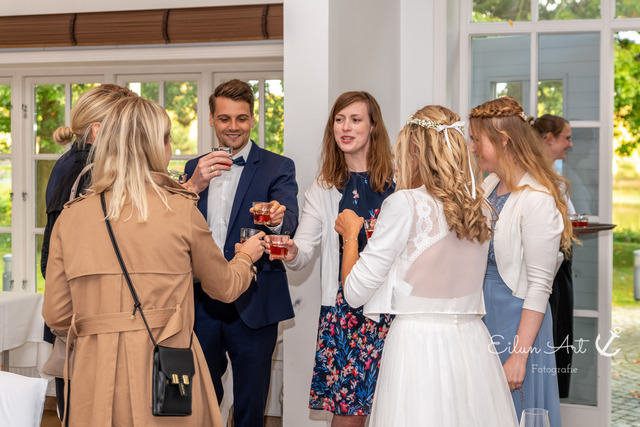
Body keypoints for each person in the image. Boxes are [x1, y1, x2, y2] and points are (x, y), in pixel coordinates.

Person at [42, 96, 265, 426]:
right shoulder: (180, 210)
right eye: (168, 139)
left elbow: (57, 314)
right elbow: (225, 287)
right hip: (168, 367)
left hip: (93, 372)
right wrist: (246, 257)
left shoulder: (71, 218)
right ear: (156, 147)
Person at [334, 105, 518, 426]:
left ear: (415, 151)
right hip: (473, 341)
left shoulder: (405, 204)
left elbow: (354, 292)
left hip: (418, 345)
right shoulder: (481, 208)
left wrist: (351, 235)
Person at [272, 91, 394, 427]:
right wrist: (291, 251)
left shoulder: (400, 181)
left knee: (395, 408)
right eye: (339, 120)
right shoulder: (324, 187)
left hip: (393, 308)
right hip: (345, 315)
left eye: (355, 119)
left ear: (373, 126)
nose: (345, 127)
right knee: (348, 417)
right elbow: (303, 250)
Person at [182, 79, 299, 427]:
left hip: (255, 300)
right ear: (211, 119)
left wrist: (277, 219)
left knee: (251, 406)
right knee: (200, 402)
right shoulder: (193, 168)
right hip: (200, 303)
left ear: (252, 118)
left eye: (242, 118)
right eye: (224, 118)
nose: (233, 126)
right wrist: (191, 185)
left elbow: (289, 220)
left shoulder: (278, 166)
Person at [469, 96, 573, 426]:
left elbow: (540, 285)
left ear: (503, 141)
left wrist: (519, 356)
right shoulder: (487, 187)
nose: (472, 147)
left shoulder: (538, 198)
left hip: (518, 324)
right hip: (482, 317)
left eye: (477, 139)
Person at [40, 83, 137, 420]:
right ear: (98, 131)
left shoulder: (66, 164)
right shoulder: (91, 173)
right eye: (125, 125)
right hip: (86, 321)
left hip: (75, 317)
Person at [532, 114, 576, 398]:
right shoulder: (539, 181)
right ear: (549, 139)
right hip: (549, 271)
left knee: (561, 334)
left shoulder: (554, 179)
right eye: (566, 138)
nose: (570, 145)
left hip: (561, 266)